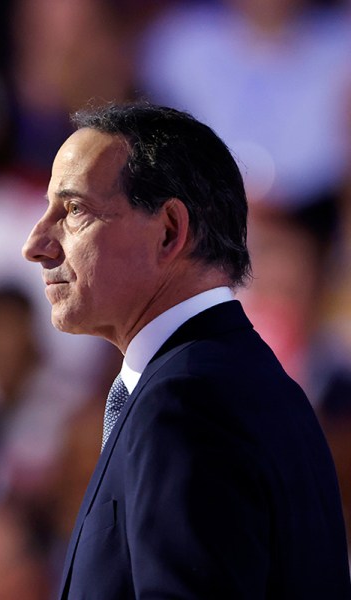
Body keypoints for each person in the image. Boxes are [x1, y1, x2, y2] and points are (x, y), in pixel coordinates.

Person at [21, 103, 351, 598]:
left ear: (170, 230)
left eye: (73, 211)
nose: (36, 244)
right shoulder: (252, 383)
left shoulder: (185, 403)